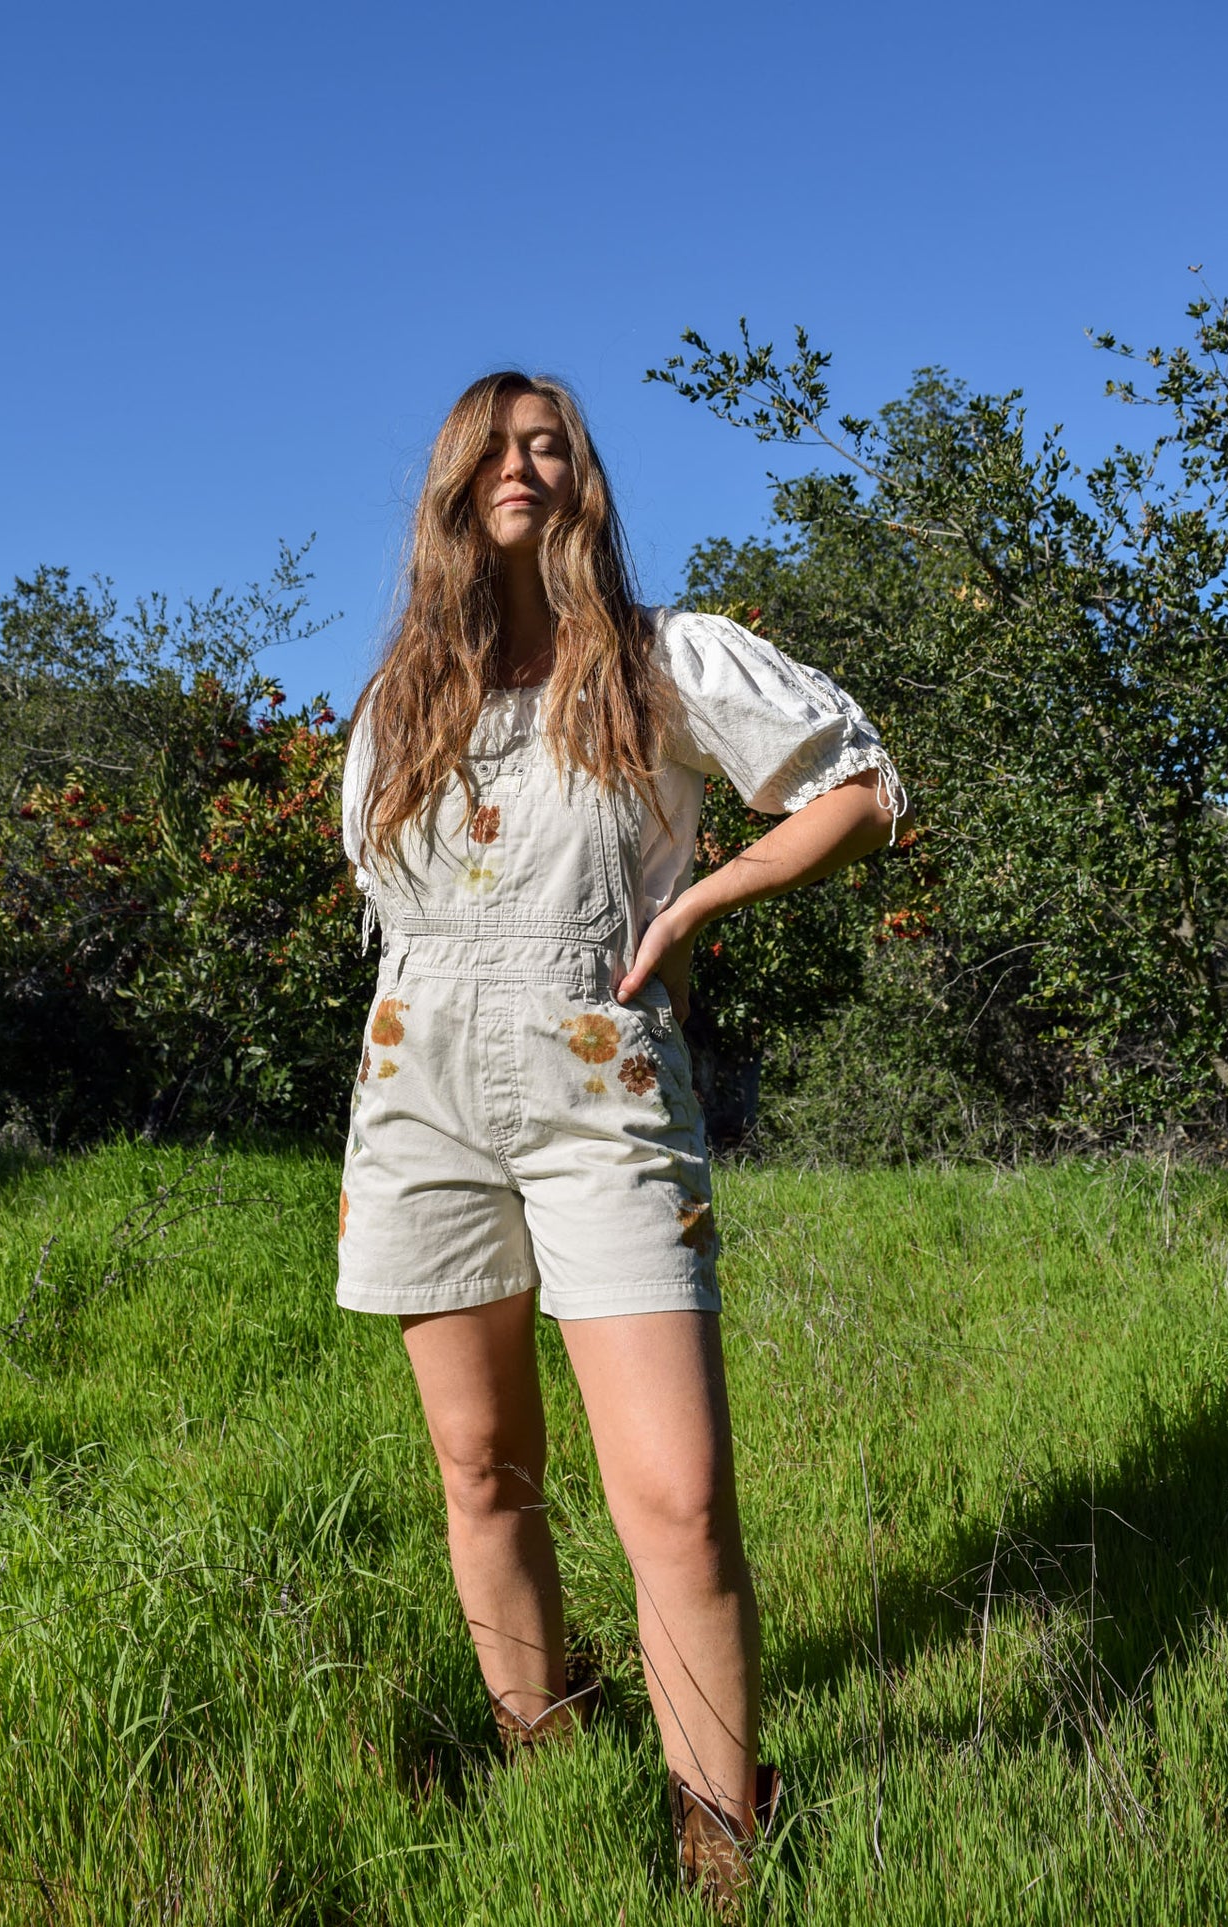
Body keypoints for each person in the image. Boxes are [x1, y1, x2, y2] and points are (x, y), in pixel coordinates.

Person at [336, 371, 906, 1904]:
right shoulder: (402, 701)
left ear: (581, 482)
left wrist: (705, 895)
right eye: (495, 449)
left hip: (600, 1084)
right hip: (418, 1086)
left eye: (551, 448)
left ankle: (723, 1829)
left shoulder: (663, 661)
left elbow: (854, 793)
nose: (525, 467)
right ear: (453, 486)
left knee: (675, 1492)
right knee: (480, 1465)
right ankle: (545, 1742)